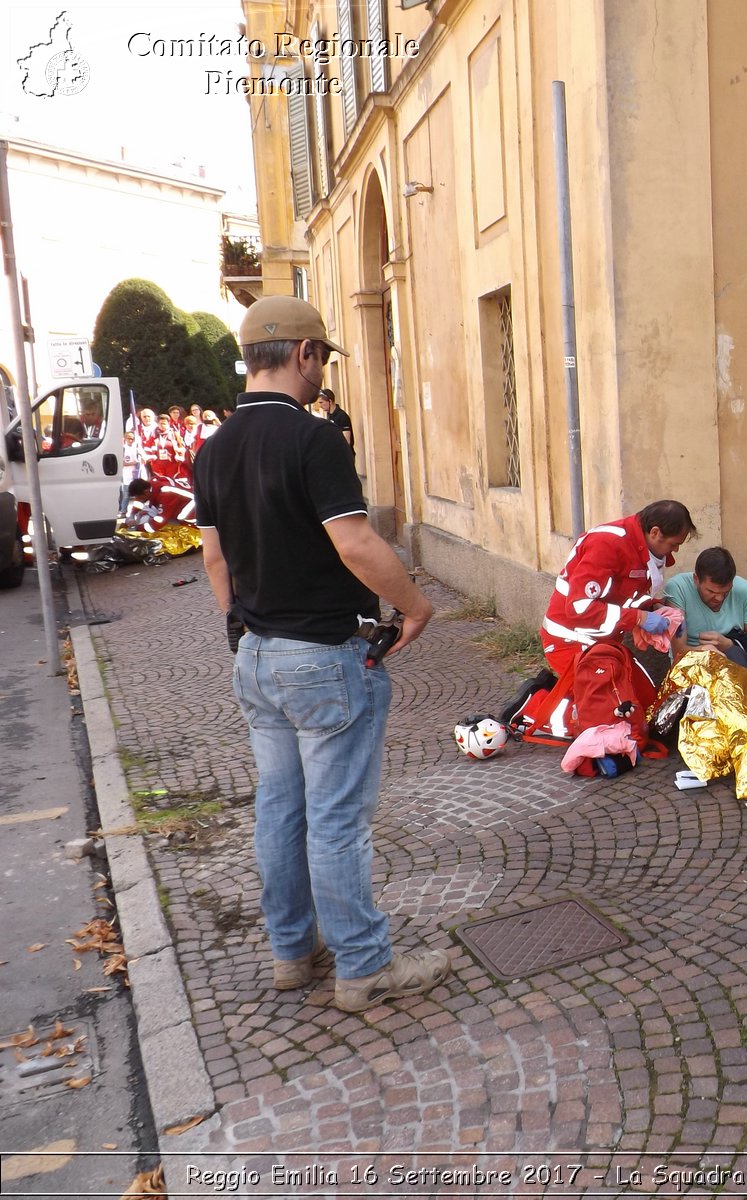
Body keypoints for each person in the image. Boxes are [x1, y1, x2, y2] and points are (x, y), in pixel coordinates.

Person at [193, 294, 452, 1012]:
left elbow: (215, 560)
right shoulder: (314, 441)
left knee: (280, 808)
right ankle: (364, 965)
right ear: (303, 355)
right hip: (321, 654)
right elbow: (357, 543)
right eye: (322, 358)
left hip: (257, 655)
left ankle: (292, 951)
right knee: (336, 817)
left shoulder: (212, 450)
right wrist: (416, 605)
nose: (321, 373)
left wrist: (240, 631)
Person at [538, 500, 693, 737]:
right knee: (617, 717)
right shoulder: (607, 545)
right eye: (674, 544)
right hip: (570, 642)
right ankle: (541, 707)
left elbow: (623, 596)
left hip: (604, 645)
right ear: (655, 533)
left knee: (648, 707)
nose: (676, 551)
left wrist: (657, 609)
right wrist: (639, 618)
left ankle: (568, 694)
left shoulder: (640, 548)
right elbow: (580, 608)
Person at [665, 546, 747, 677]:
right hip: (693, 667)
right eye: (711, 591)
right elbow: (679, 651)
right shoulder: (678, 588)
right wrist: (704, 651)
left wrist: (728, 644)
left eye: (726, 592)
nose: (719, 598)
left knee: (735, 653)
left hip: (735, 666)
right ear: (696, 579)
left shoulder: (745, 590)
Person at [315, 388, 355, 455]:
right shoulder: (329, 416)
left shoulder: (342, 416)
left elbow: (346, 441)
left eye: (321, 402)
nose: (320, 406)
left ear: (330, 401)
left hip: (344, 456)